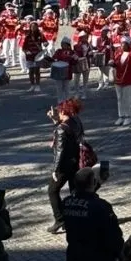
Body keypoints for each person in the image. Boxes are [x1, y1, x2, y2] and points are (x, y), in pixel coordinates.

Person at [63, 166, 124, 261]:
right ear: (94, 182)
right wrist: (121, 256)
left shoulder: (66, 203)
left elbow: (83, 195)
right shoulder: (102, 206)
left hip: (74, 260)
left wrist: (96, 184)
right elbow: (114, 237)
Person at [47, 98, 85, 234]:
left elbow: (60, 151)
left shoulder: (61, 129)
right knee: (74, 191)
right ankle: (77, 217)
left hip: (64, 165)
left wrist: (55, 170)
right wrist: (54, 120)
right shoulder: (76, 121)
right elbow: (66, 129)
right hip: (76, 161)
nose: (58, 112)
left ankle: (60, 219)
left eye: (59, 110)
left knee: (52, 191)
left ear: (63, 111)